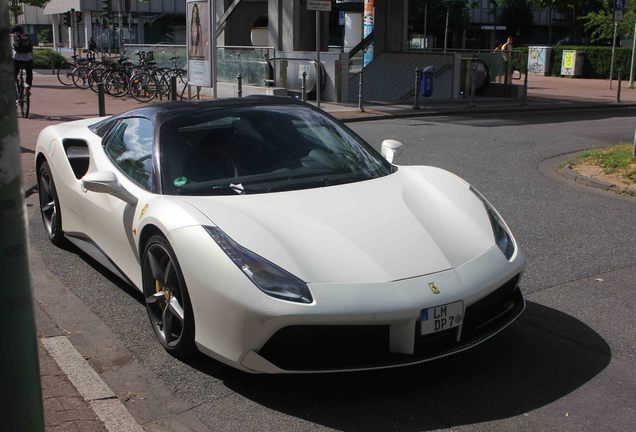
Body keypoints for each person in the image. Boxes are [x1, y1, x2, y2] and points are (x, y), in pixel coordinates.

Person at [10, 25, 33, 95]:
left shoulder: (13, 36)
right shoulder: (27, 35)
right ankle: (28, 88)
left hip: (17, 58)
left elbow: (10, 48)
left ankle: (17, 87)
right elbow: (31, 47)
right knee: (29, 74)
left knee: (13, 74)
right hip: (28, 58)